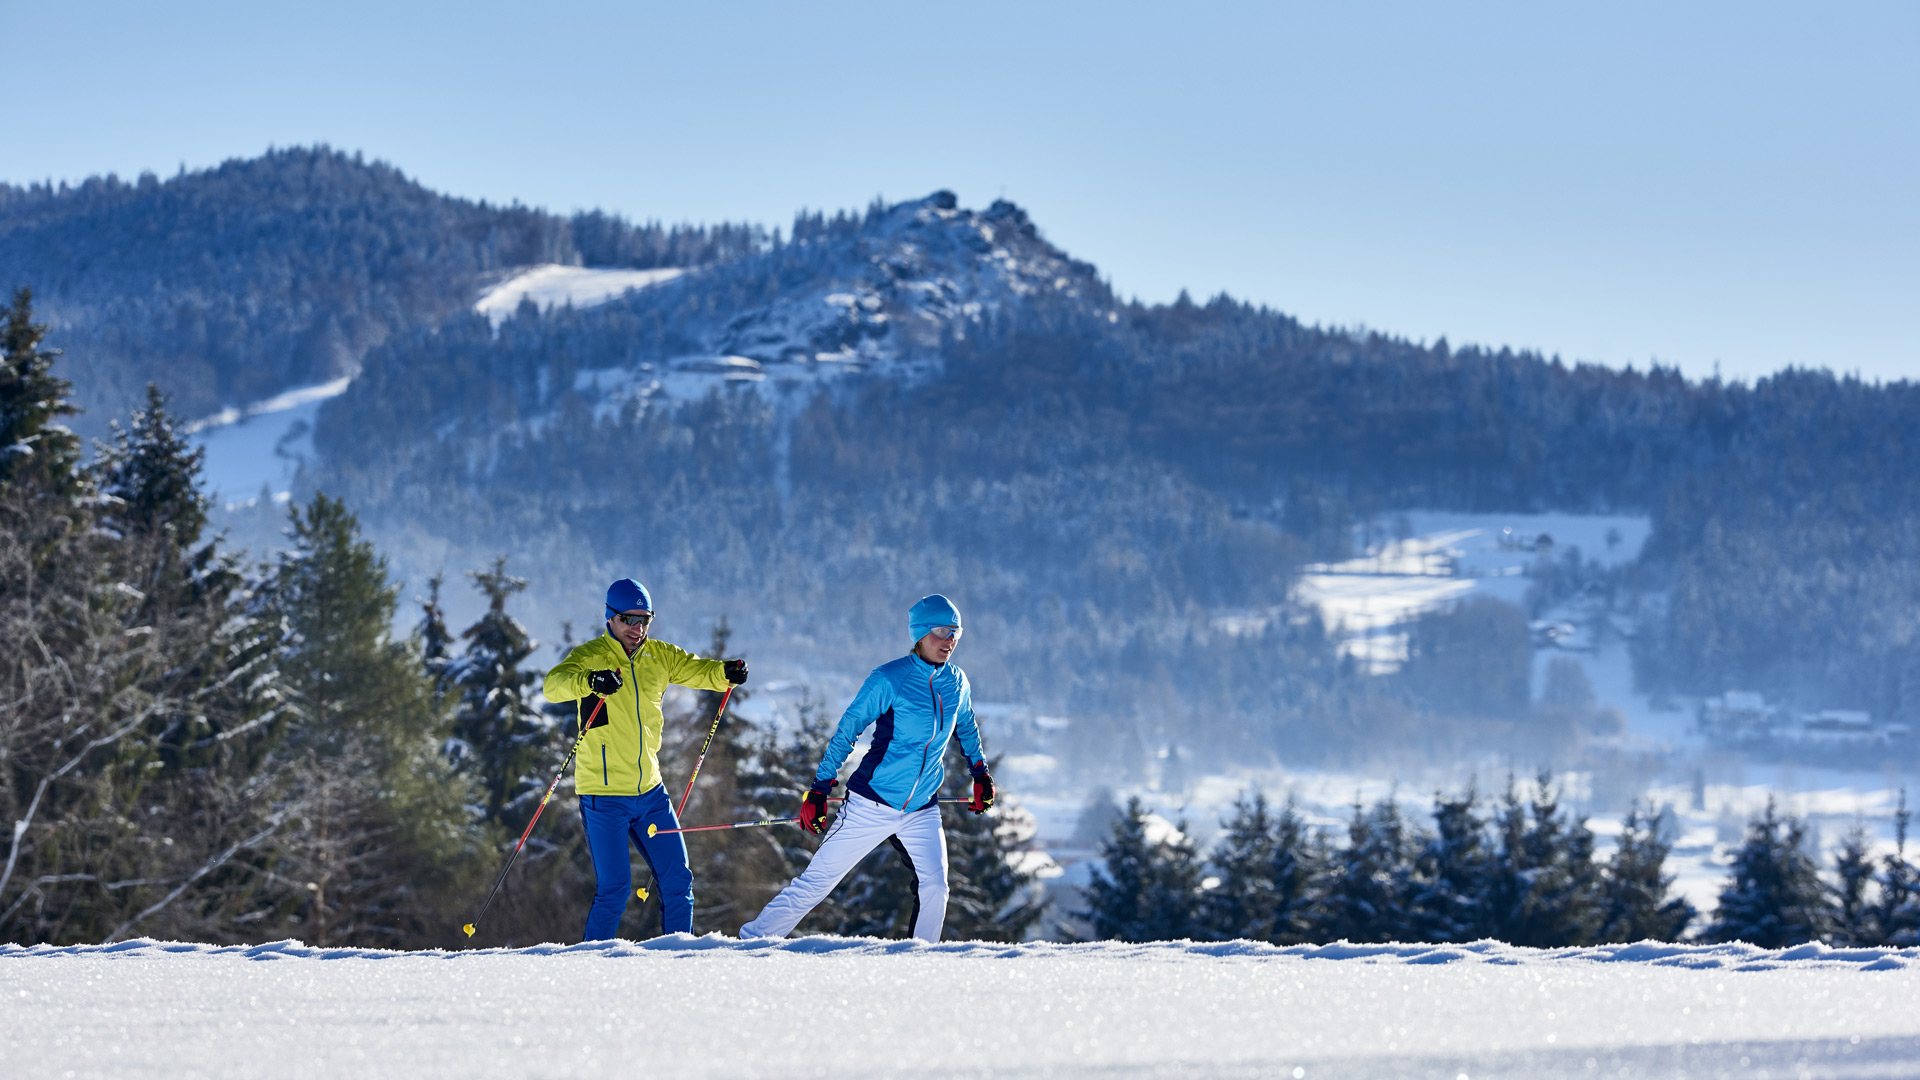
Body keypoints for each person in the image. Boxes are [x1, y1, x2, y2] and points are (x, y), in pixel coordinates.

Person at [740, 594, 994, 942]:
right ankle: (752, 939)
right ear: (919, 634)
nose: (949, 640)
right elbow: (848, 730)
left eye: (956, 632)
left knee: (936, 886)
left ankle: (919, 964)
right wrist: (819, 789)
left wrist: (980, 773)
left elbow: (965, 724)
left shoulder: (957, 682)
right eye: (940, 631)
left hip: (922, 807)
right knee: (817, 884)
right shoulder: (890, 679)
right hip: (870, 803)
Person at [542, 577, 747, 940]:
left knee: (678, 879)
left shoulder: (659, 656)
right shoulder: (589, 657)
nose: (637, 629)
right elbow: (553, 685)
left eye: (645, 620)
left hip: (651, 793)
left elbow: (699, 670)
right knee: (615, 889)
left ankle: (678, 959)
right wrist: (591, 681)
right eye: (628, 620)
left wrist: (724, 673)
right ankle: (591, 968)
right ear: (610, 618)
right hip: (604, 797)